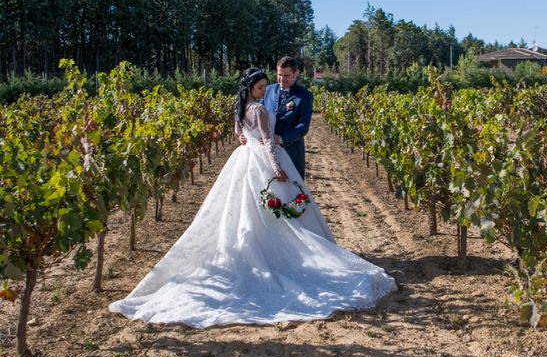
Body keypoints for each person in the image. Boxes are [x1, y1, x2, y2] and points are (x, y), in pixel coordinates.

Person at [109, 68, 396, 327]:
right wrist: (278, 169)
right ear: (252, 87)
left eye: (269, 84)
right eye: (262, 86)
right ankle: (278, 251)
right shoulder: (258, 107)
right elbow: (268, 142)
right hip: (266, 160)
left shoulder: (241, 107)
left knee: (246, 207)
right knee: (273, 207)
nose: (267, 89)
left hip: (245, 159)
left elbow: (243, 132)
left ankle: (256, 245)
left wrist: (245, 140)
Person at [241, 56, 312, 179]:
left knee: (293, 193)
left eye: (286, 76)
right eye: (279, 74)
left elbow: (303, 126)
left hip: (291, 152)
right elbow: (253, 114)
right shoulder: (266, 90)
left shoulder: (305, 96)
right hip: (265, 154)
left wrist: (281, 139)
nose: (282, 79)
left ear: (296, 74)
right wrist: (246, 134)